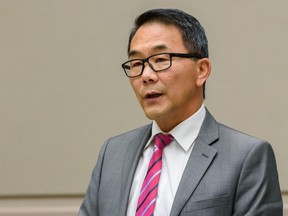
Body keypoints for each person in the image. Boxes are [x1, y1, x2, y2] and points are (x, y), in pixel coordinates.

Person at [79, 8, 283, 216]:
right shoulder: (113, 153)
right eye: (137, 63)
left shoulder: (246, 156)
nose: (146, 75)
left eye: (160, 59)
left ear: (201, 70)